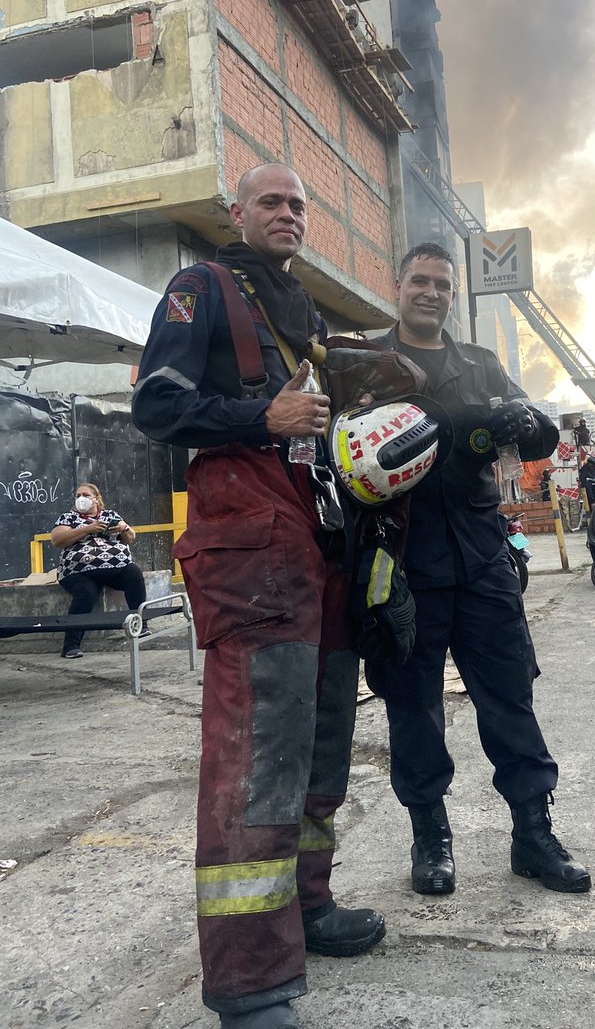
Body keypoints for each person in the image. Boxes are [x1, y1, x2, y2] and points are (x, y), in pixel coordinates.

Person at [132, 164, 386, 1029]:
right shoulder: (200, 287)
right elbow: (156, 407)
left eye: (299, 205)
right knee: (258, 752)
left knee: (319, 737)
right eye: (273, 202)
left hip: (316, 539)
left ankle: (306, 905)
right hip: (249, 538)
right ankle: (249, 982)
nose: (290, 214)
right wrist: (258, 420)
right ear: (237, 213)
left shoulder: (303, 313)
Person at [371, 242, 590, 899]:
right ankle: (430, 836)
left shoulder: (481, 364)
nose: (432, 292)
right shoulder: (371, 366)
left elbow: (541, 437)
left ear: (451, 293)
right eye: (420, 280)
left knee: (509, 699)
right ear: (399, 284)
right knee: (414, 709)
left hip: (483, 558)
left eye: (442, 283)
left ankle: (533, 833)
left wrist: (529, 421)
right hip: (406, 562)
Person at [50, 483, 146, 659]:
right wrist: (88, 529)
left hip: (114, 568)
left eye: (85, 495)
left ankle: (141, 625)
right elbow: (57, 540)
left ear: (96, 499)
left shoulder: (111, 516)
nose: (81, 499)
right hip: (79, 572)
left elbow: (130, 538)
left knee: (134, 574)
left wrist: (125, 528)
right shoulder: (69, 518)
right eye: (78, 495)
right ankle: (71, 645)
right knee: (85, 592)